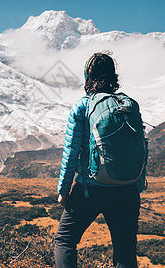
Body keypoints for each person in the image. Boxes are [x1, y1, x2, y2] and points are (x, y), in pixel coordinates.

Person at [54, 52, 147, 268]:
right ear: (113, 76)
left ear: (87, 75)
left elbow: (71, 152)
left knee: (65, 240)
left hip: (90, 189)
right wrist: (136, 186)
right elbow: (141, 147)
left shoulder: (83, 106)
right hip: (127, 190)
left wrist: (63, 190)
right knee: (125, 250)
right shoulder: (129, 105)